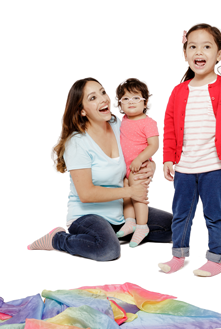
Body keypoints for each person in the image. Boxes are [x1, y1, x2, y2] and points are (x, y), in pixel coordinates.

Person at [27, 78, 172, 261]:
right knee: (108, 251)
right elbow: (86, 194)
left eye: (103, 92)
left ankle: (119, 233)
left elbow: (137, 151)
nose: (103, 99)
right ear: (82, 111)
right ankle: (57, 239)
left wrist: (151, 165)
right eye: (93, 98)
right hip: (88, 215)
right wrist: (130, 191)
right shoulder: (77, 143)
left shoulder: (118, 124)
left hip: (122, 211)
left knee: (175, 227)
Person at [158, 23, 221, 277]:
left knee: (214, 214)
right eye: (193, 46)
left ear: (219, 54)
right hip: (185, 167)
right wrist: (168, 158)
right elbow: (170, 128)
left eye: (207, 46)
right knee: (181, 214)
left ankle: (216, 259)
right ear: (185, 53)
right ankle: (178, 255)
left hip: (215, 167)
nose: (199, 52)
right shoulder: (178, 91)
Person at [115, 79, 159, 247]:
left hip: (138, 167)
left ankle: (142, 226)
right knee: (126, 194)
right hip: (124, 168)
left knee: (138, 196)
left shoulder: (148, 123)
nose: (130, 102)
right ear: (120, 104)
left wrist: (140, 159)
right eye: (125, 99)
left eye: (135, 98)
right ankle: (130, 222)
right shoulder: (123, 120)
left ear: (145, 102)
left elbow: (154, 145)